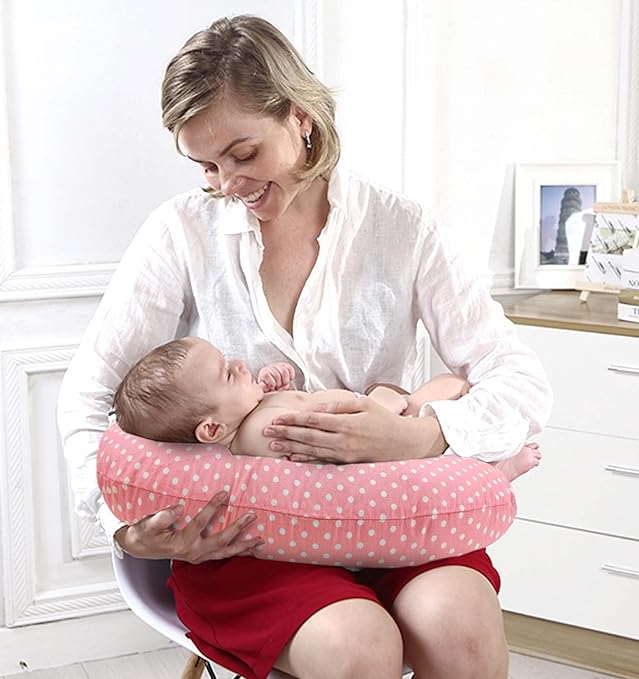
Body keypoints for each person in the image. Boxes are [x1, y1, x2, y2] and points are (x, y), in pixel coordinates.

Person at [58, 14, 552, 679]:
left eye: (243, 154)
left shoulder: (401, 229)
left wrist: (421, 433)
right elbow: (91, 392)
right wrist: (121, 525)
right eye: (206, 165)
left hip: (393, 518)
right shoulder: (181, 231)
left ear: (300, 117)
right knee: (356, 645)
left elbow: (517, 377)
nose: (226, 184)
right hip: (248, 544)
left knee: (456, 624)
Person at [112, 335, 541, 482]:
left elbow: (301, 406)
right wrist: (381, 408)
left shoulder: (249, 415)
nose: (240, 363)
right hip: (376, 447)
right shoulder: (261, 432)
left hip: (375, 423)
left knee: (446, 387)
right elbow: (321, 441)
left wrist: (277, 387)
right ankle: (495, 473)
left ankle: (489, 462)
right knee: (448, 391)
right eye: (228, 373)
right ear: (210, 430)